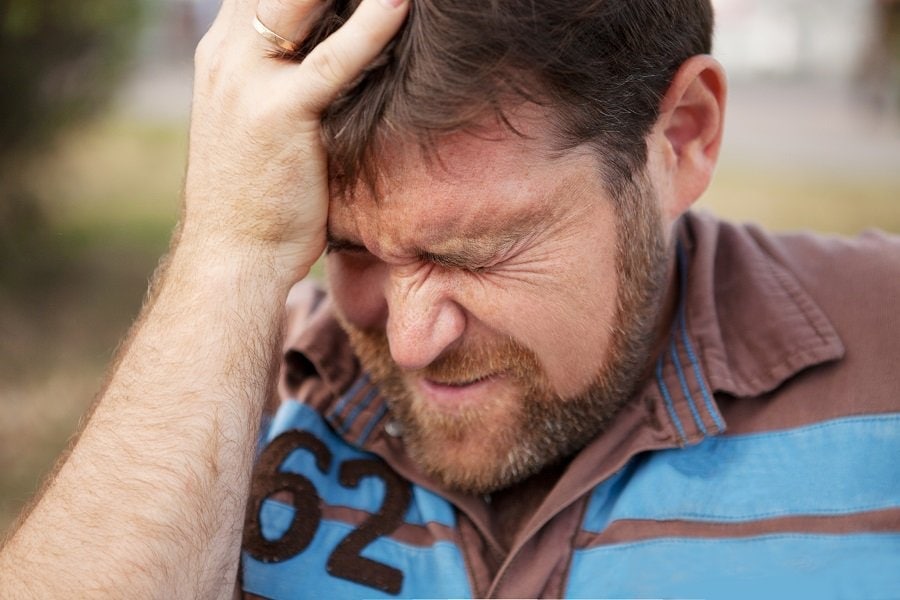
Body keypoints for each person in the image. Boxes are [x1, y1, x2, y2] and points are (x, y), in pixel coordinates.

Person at [1, 0, 899, 597]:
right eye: (347, 249)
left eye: (481, 254)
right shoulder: (228, 407)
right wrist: (226, 251)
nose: (413, 338)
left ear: (684, 137)